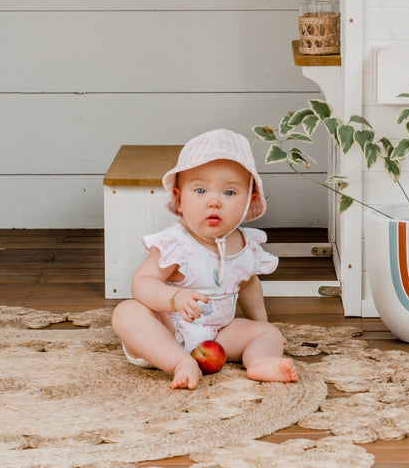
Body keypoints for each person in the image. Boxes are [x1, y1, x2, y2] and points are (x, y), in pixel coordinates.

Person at [111, 128, 298, 390]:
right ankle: (179, 362)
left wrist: (261, 323)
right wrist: (174, 299)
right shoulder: (176, 243)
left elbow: (249, 285)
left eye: (229, 193)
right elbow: (143, 283)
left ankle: (260, 361)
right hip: (169, 332)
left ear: (249, 201)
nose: (214, 202)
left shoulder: (246, 245)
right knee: (127, 313)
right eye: (200, 190)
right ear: (178, 197)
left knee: (268, 333)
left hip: (220, 335)